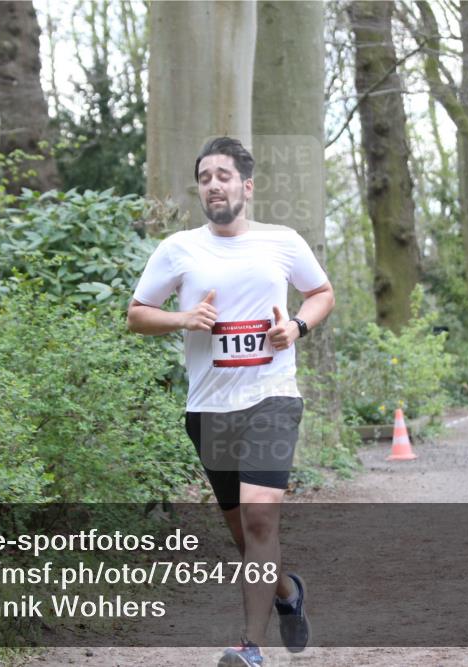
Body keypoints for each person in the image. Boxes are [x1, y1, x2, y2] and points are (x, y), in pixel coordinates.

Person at [127, 137, 335, 667]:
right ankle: (287, 592)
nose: (213, 185)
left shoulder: (282, 241)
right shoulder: (179, 248)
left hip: (271, 399)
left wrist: (297, 326)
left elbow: (321, 293)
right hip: (210, 409)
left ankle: (249, 647)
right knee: (246, 537)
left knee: (261, 522)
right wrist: (184, 318)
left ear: (247, 186)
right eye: (204, 178)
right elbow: (137, 314)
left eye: (223, 176)